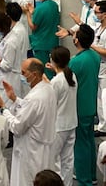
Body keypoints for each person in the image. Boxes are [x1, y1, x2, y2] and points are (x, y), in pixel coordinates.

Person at [0, 58, 57, 186]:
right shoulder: (48, 88)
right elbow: (30, 110)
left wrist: (4, 109)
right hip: (43, 146)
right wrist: (14, 98)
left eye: (24, 73)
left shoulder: (34, 98)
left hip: (31, 150)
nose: (21, 75)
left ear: (34, 74)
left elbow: (17, 127)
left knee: (26, 181)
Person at [69, 24, 101, 185]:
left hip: (79, 107)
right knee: (88, 141)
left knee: (80, 144)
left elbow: (66, 81)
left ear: (77, 40)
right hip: (90, 105)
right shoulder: (94, 56)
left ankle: (84, 179)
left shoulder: (76, 62)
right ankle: (92, 175)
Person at [45, 46, 77, 186]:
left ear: (53, 61)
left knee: (53, 161)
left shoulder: (56, 82)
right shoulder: (71, 75)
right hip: (71, 123)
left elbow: (50, 102)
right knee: (68, 160)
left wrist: (46, 82)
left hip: (58, 126)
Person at [25, 0, 59, 78]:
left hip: (41, 44)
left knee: (43, 70)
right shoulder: (54, 5)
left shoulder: (40, 8)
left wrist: (28, 14)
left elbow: (33, 26)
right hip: (52, 42)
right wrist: (33, 12)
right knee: (52, 68)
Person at [91, 1, 106, 136]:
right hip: (98, 67)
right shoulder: (98, 28)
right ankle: (102, 125)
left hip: (104, 68)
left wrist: (92, 46)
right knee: (99, 98)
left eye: (97, 12)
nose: (95, 15)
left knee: (104, 97)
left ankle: (104, 127)